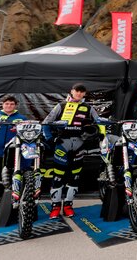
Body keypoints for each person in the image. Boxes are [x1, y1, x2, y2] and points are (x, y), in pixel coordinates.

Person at [43, 83, 102, 219]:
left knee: (75, 176)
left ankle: (68, 205)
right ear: (72, 91)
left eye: (82, 92)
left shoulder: (88, 108)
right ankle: (55, 206)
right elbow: (46, 123)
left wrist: (100, 134)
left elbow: (99, 122)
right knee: (58, 175)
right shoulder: (61, 106)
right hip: (62, 144)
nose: (79, 94)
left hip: (79, 144)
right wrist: (50, 138)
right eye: (77, 91)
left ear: (84, 94)